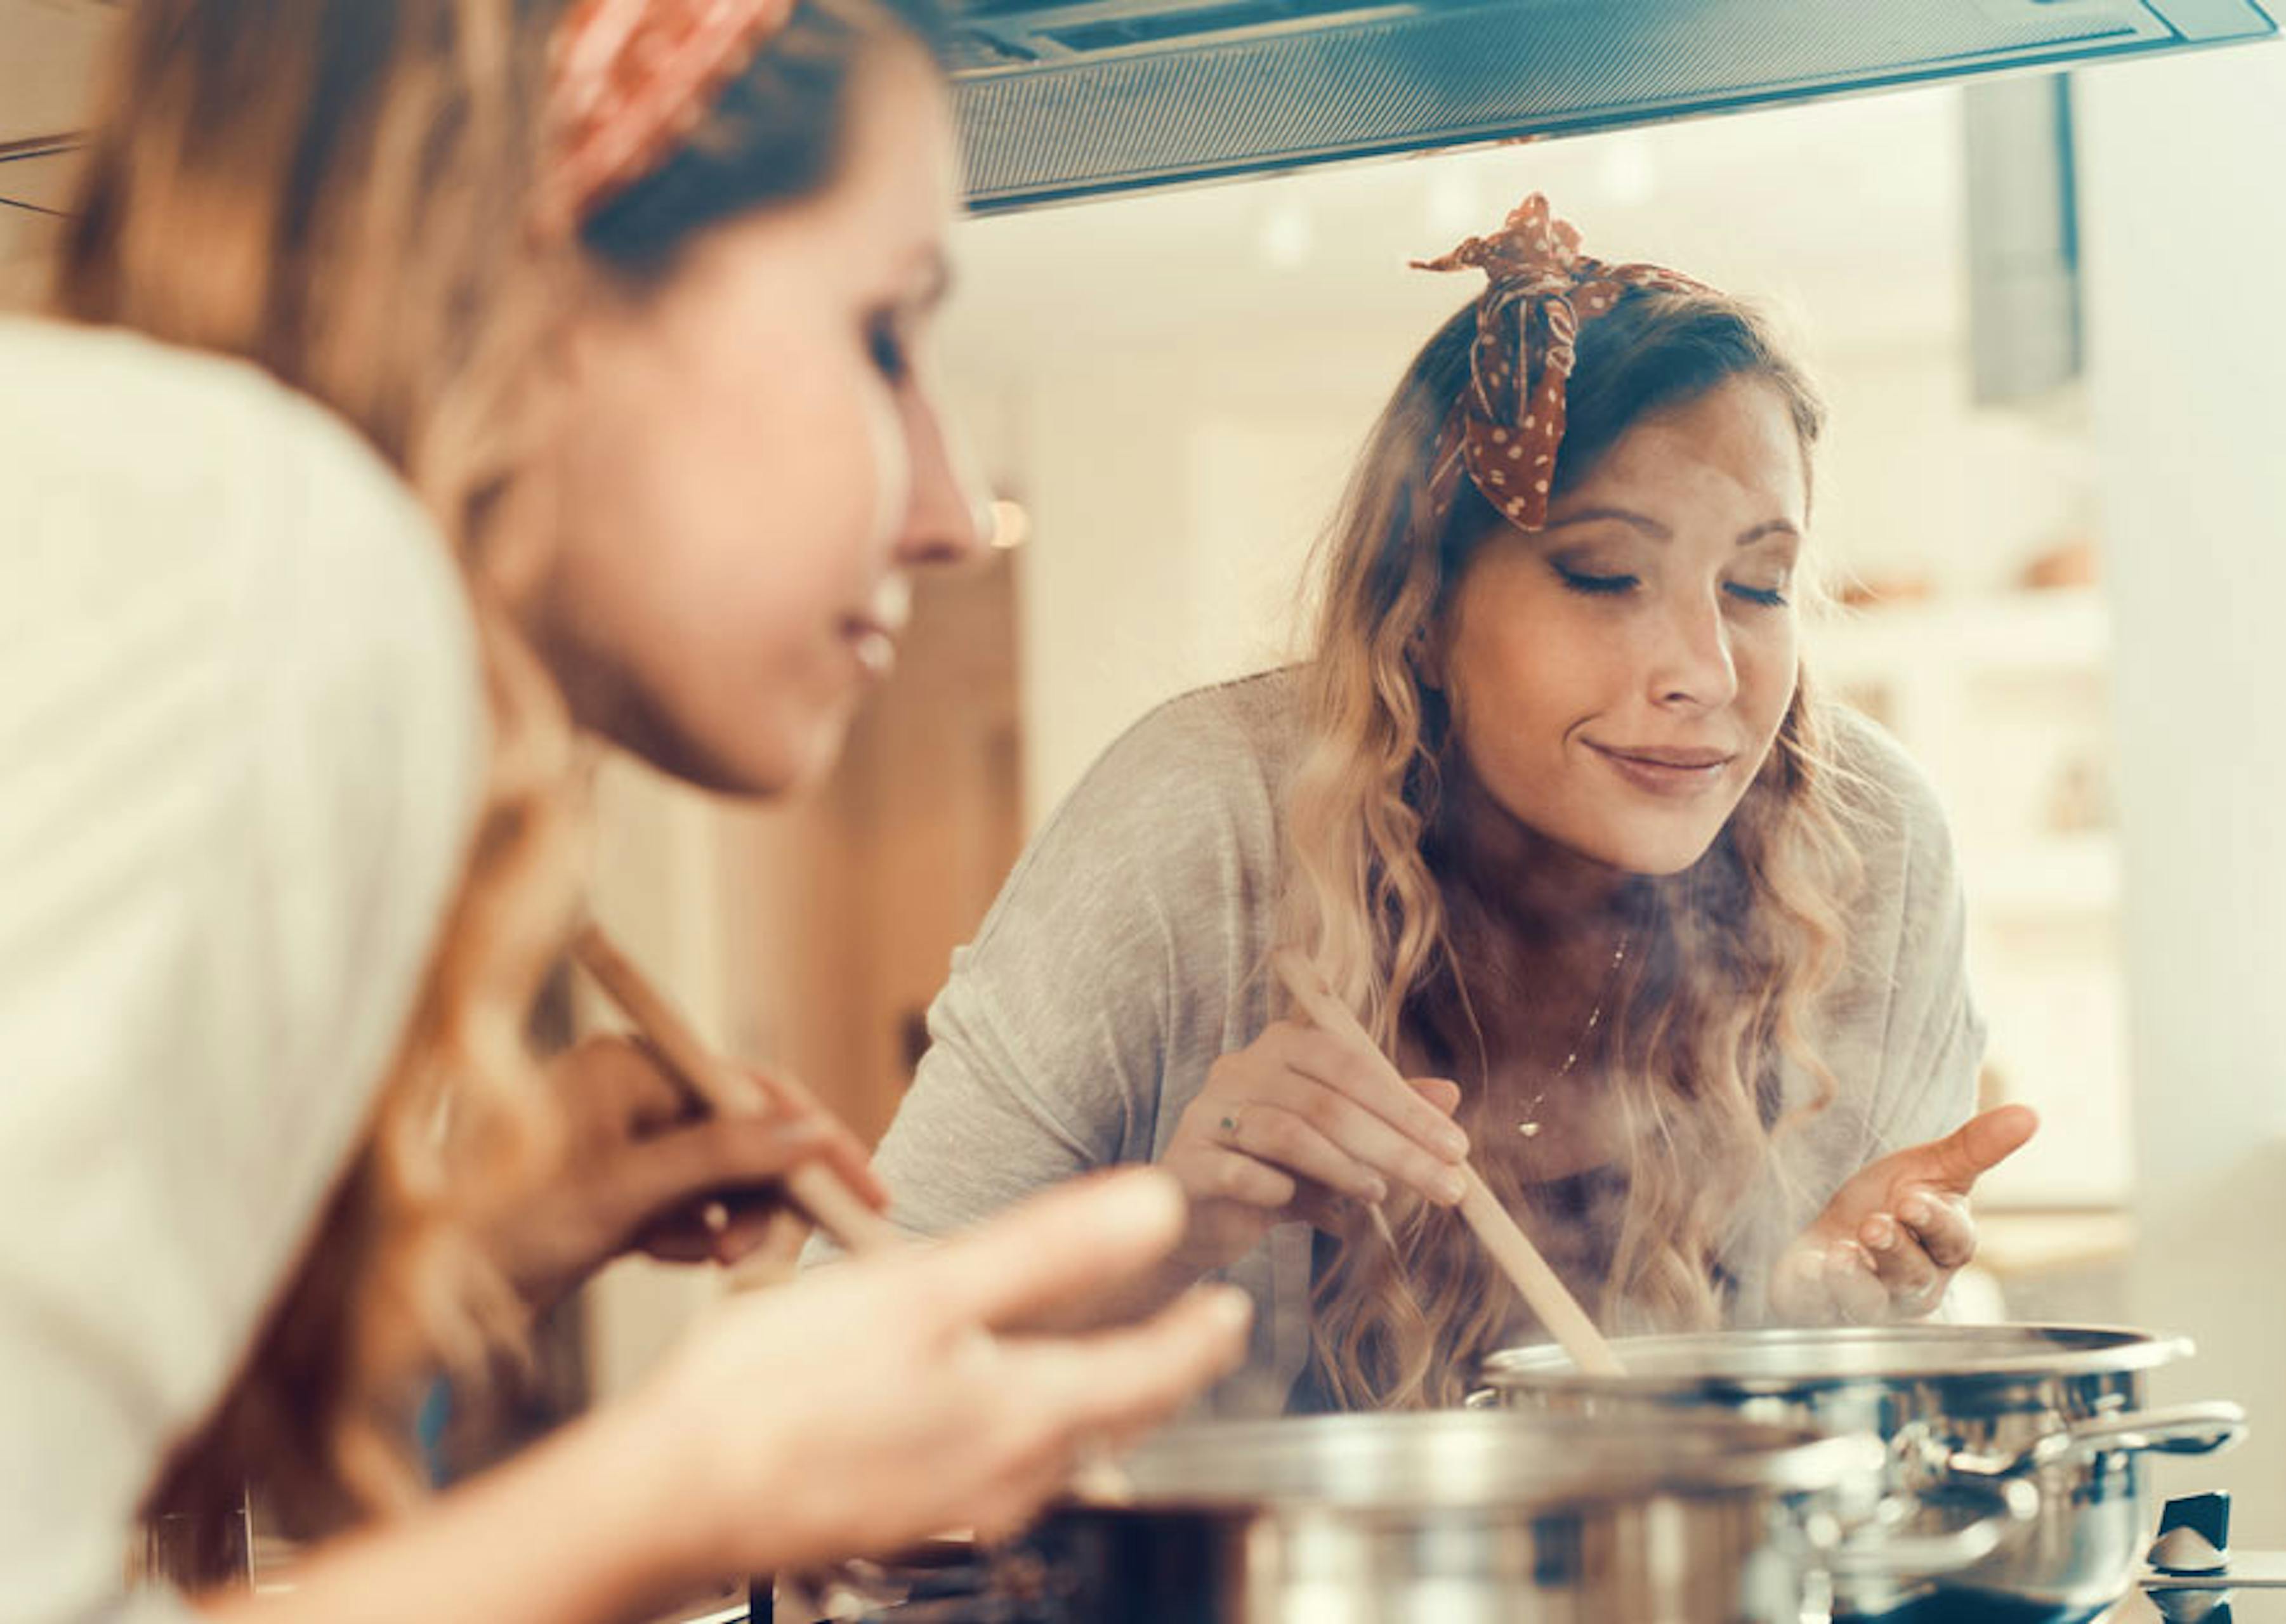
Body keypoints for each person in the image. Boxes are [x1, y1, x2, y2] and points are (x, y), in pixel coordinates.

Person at [0, 2, 1247, 1620]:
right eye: (881, 333)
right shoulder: (279, 566)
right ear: (522, 282)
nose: (944, 508)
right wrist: (693, 1483)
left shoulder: (187, 543)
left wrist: (450, 1267)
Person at [818, 194, 2039, 1411]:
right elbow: (848, 1361)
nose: (1707, 676)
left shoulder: (1864, 848)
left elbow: (1827, 1481)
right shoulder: (1205, 822)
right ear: (1425, 605)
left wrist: (1814, 1332)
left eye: (1760, 586)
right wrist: (1173, 1233)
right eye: (1606, 576)